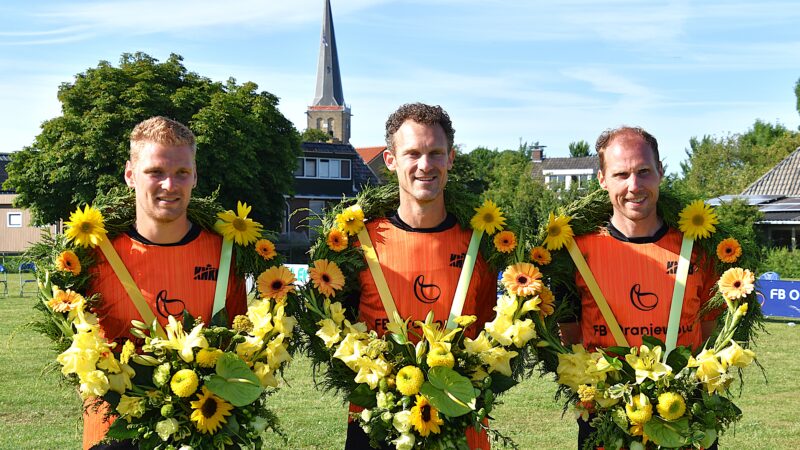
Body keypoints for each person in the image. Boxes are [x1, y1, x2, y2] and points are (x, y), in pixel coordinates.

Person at [83, 117, 248, 450]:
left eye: (182, 173)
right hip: (113, 432)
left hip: (204, 430)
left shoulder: (226, 252)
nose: (170, 185)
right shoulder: (90, 256)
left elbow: (239, 350)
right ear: (130, 175)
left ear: (195, 176)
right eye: (155, 172)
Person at [344, 103, 497, 449]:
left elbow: (489, 331)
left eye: (435, 153)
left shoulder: (481, 244)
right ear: (390, 160)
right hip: (377, 426)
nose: (425, 165)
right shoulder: (356, 243)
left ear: (451, 159)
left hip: (461, 425)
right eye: (412, 153)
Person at [557, 126, 719, 450]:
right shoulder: (575, 252)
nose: (634, 186)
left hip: (685, 421)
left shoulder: (699, 246)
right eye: (621, 174)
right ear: (602, 179)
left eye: (644, 172)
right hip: (605, 424)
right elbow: (571, 338)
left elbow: (708, 331)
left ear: (660, 171)